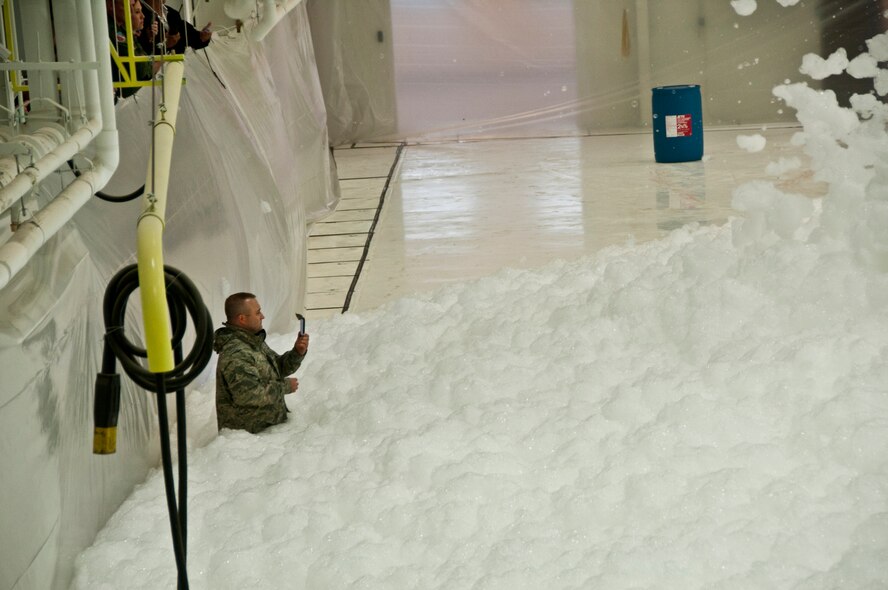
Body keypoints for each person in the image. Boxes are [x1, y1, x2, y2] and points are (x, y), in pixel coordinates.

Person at [214, 293, 310, 433]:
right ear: (242, 319)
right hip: (248, 440)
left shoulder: (251, 342)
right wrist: (285, 387)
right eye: (258, 312)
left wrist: (297, 352)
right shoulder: (236, 353)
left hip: (265, 434)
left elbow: (277, 368)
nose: (262, 316)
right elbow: (249, 395)